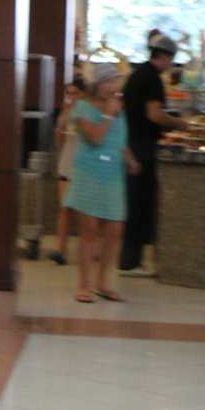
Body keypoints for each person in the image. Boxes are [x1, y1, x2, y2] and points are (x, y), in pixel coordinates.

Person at [119, 37, 184, 277]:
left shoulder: (137, 74)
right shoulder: (152, 79)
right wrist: (181, 124)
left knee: (134, 202)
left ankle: (130, 259)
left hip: (132, 141)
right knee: (141, 203)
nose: (171, 65)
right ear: (165, 56)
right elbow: (154, 115)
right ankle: (130, 262)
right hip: (143, 146)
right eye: (171, 60)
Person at [67, 70, 133, 304]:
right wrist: (107, 114)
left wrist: (130, 159)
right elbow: (95, 138)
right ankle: (84, 285)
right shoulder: (82, 108)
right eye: (110, 82)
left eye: (117, 82)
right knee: (90, 230)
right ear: (98, 83)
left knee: (115, 229)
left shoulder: (118, 107)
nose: (114, 87)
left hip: (113, 175)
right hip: (89, 173)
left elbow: (119, 140)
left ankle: (103, 282)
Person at [46, 76, 84, 268]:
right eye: (68, 93)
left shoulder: (90, 113)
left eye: (75, 93)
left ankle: (89, 249)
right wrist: (63, 119)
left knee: (85, 211)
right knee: (64, 208)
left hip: (85, 166)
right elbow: (59, 141)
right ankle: (61, 250)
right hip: (67, 164)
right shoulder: (66, 113)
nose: (71, 97)